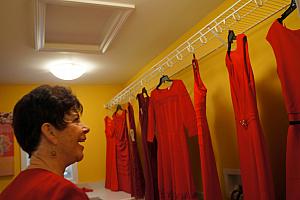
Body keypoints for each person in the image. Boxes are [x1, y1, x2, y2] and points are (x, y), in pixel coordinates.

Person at [0, 85, 90, 200]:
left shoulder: (9, 192)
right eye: (76, 121)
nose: (86, 128)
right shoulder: (64, 193)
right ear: (50, 132)